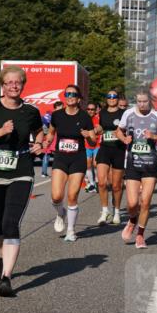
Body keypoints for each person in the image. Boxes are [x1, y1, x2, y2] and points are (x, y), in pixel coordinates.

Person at [0, 65, 44, 297]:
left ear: (23, 84)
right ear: (2, 86)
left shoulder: (31, 111)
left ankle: (6, 278)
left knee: (11, 224)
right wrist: (1, 131)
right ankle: (0, 254)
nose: (14, 86)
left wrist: (39, 144)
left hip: (21, 170)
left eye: (18, 82)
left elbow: (40, 132)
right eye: (9, 83)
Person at [45, 84, 97, 242]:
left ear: (79, 98)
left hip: (77, 159)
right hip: (61, 158)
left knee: (72, 195)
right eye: (67, 94)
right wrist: (46, 142)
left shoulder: (84, 117)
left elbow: (93, 142)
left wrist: (88, 135)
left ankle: (71, 231)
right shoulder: (57, 115)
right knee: (56, 196)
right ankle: (61, 212)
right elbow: (51, 132)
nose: (70, 96)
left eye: (73, 94)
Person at [118, 91, 157, 249]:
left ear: (150, 101)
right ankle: (132, 219)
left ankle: (140, 235)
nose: (141, 104)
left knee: (146, 202)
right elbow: (118, 131)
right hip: (133, 163)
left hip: (150, 164)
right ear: (136, 101)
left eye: (144, 102)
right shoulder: (128, 114)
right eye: (139, 101)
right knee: (132, 203)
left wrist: (154, 137)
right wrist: (124, 139)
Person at [96, 90, 127, 224]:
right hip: (104, 149)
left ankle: (117, 212)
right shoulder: (102, 112)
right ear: (106, 98)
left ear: (118, 99)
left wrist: (122, 134)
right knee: (102, 183)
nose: (112, 98)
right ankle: (105, 211)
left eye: (114, 96)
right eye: (109, 96)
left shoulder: (123, 113)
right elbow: (99, 127)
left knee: (116, 186)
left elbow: (128, 128)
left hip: (118, 150)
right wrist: (96, 130)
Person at [83, 101, 101, 193]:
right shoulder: (83, 119)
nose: (90, 111)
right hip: (87, 145)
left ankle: (98, 182)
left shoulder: (98, 118)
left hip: (97, 144)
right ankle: (92, 184)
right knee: (88, 165)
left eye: (92, 109)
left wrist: (97, 129)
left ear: (95, 110)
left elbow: (101, 129)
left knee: (95, 164)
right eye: (88, 109)